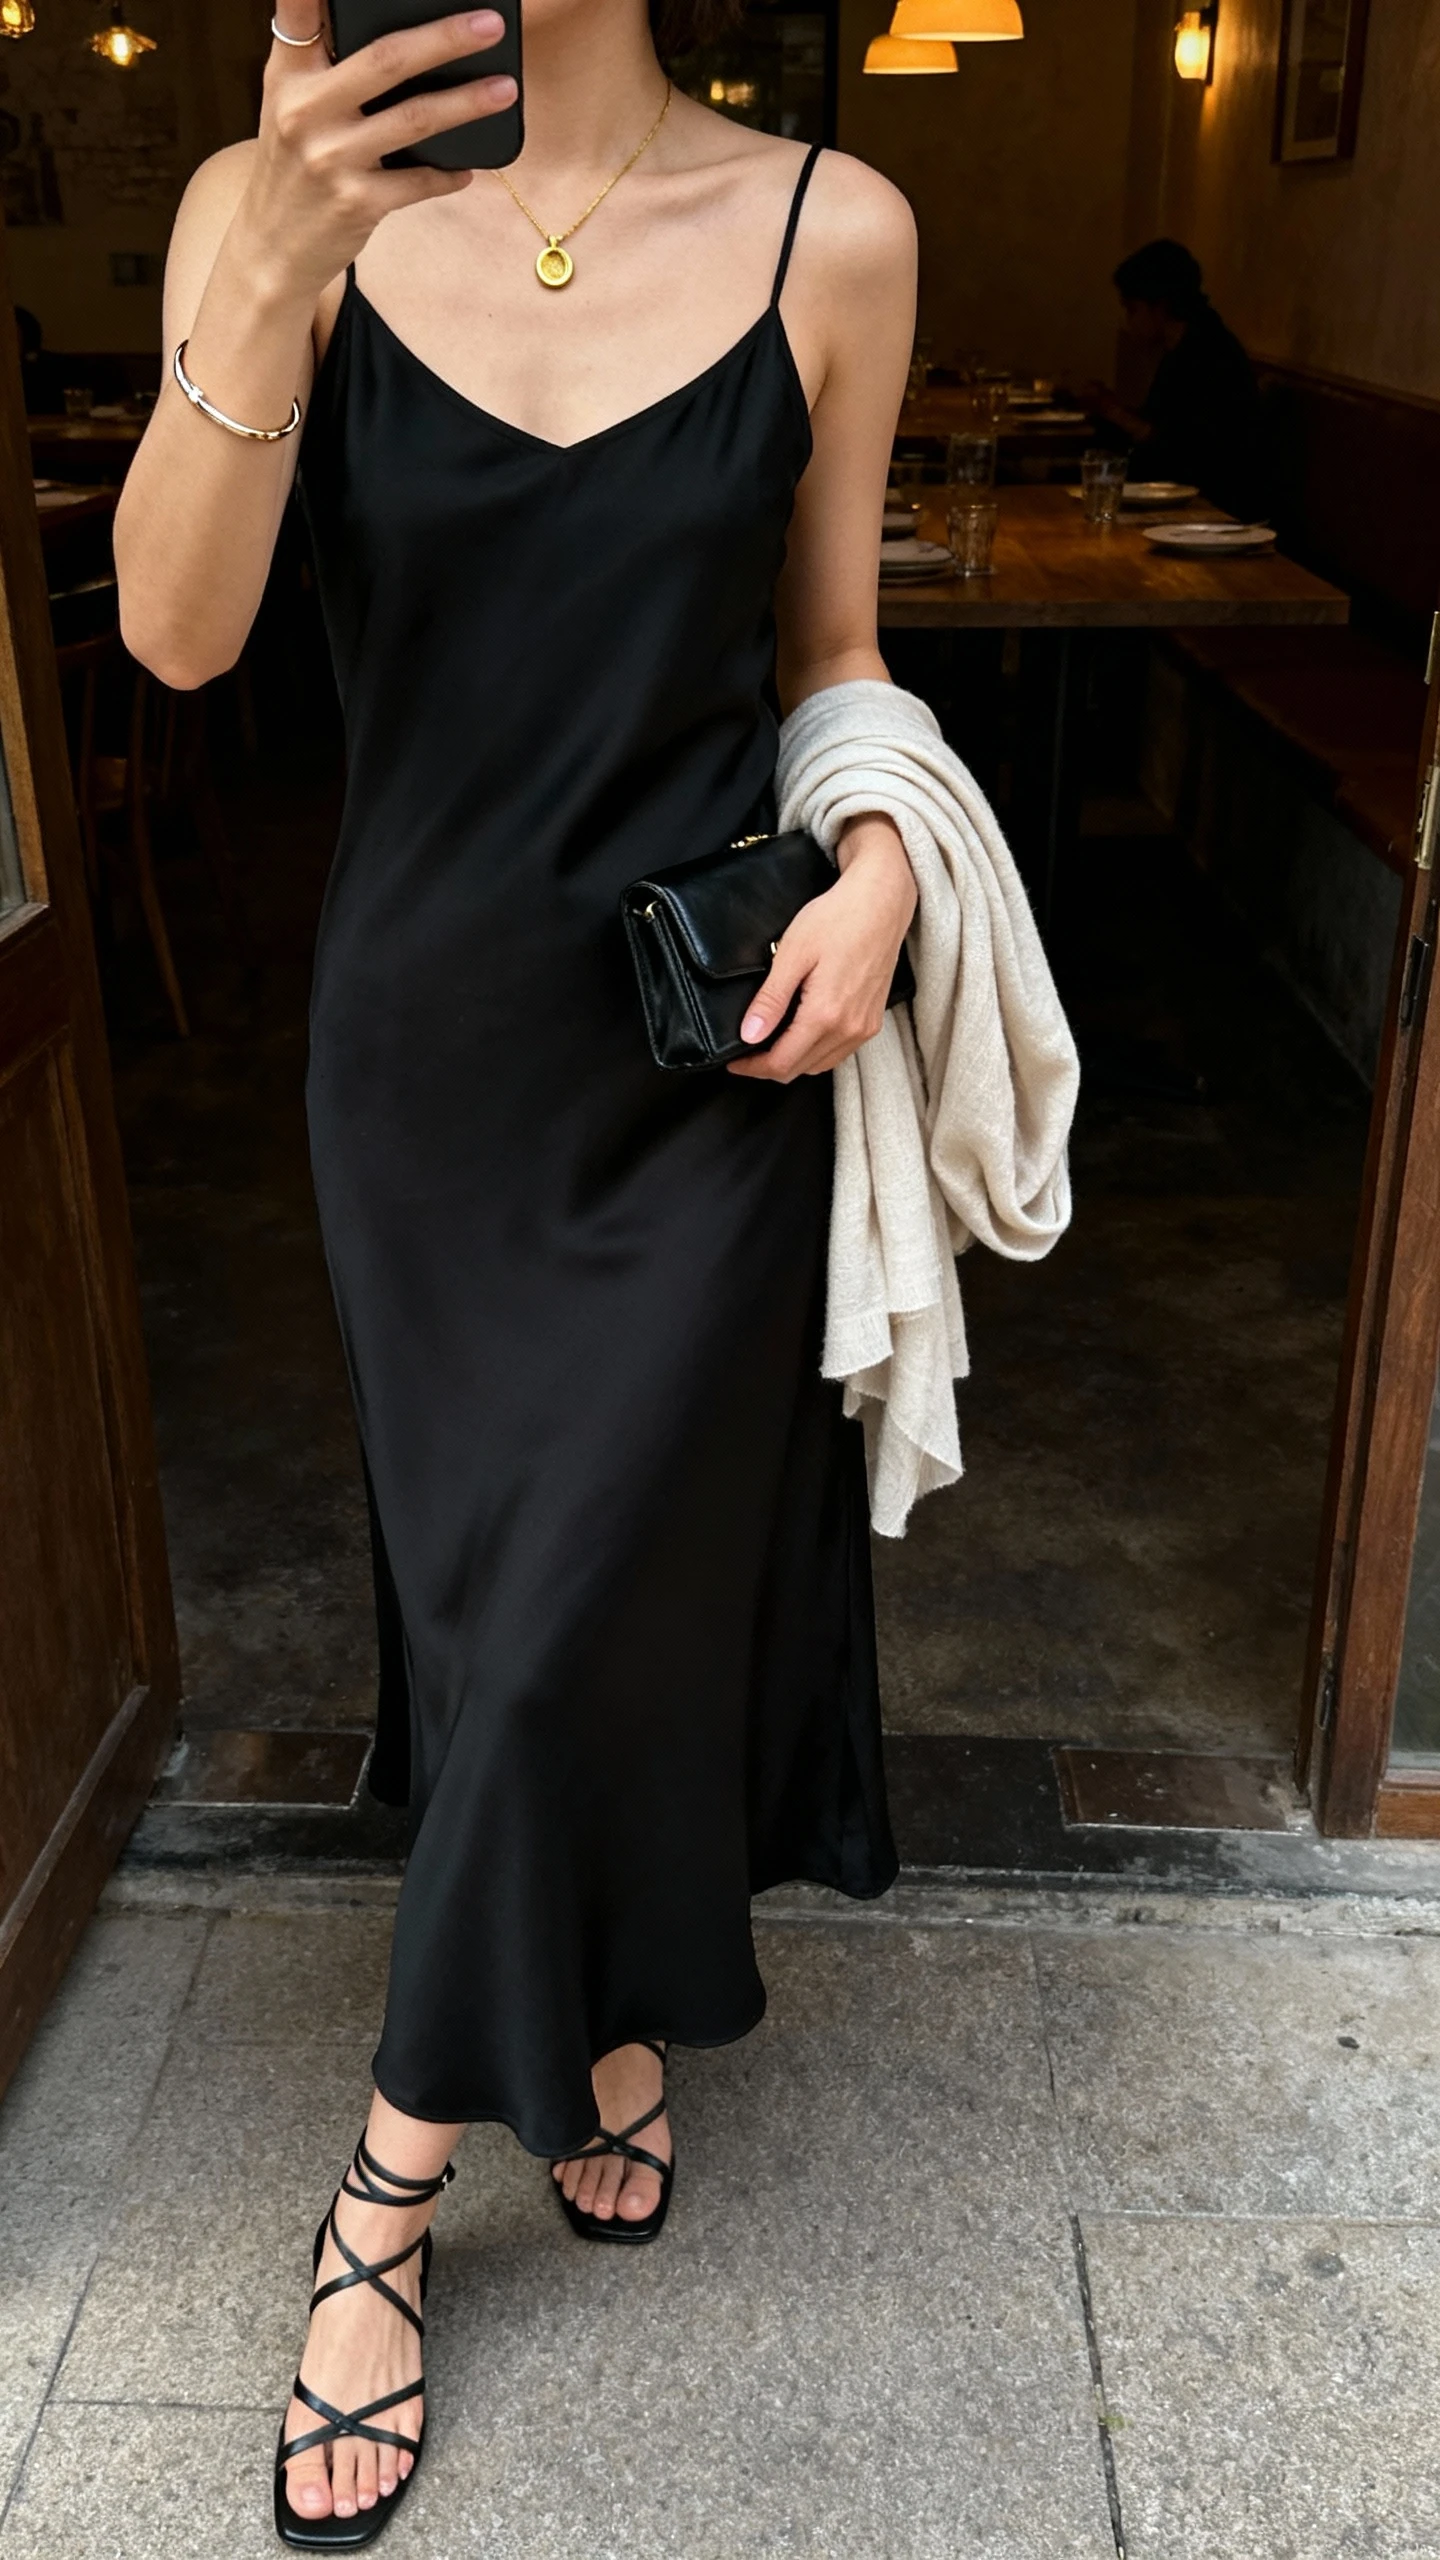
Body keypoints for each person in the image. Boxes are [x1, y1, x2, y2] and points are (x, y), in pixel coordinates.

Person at [114, 1, 918, 2541]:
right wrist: (262, 287)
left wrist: (884, 861)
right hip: (422, 1069)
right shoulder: (269, 214)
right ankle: (613, 1992)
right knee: (495, 1611)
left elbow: (826, 652)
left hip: (699, 1058)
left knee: (592, 1599)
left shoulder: (832, 229)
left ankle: (377, 2196)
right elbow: (171, 642)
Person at [1085, 237, 1266, 521]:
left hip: (1213, 509)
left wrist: (1114, 412)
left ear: (1160, 306)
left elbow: (1185, 452)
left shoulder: (1209, 354)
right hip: (1185, 501)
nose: (1127, 321)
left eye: (1132, 308)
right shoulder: (1185, 346)